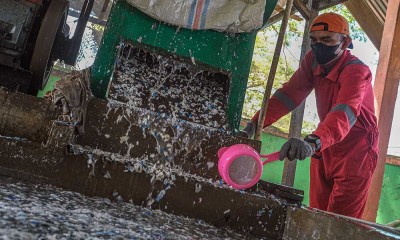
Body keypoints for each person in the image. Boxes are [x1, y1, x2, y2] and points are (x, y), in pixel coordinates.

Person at [243, 12, 379, 219]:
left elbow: (346, 113)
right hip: (325, 144)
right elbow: (288, 95)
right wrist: (255, 123)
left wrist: (314, 141)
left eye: (326, 39)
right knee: (316, 213)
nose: (318, 46)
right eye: (313, 40)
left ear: (345, 42)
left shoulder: (357, 71)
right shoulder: (312, 62)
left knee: (338, 221)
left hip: (355, 150)